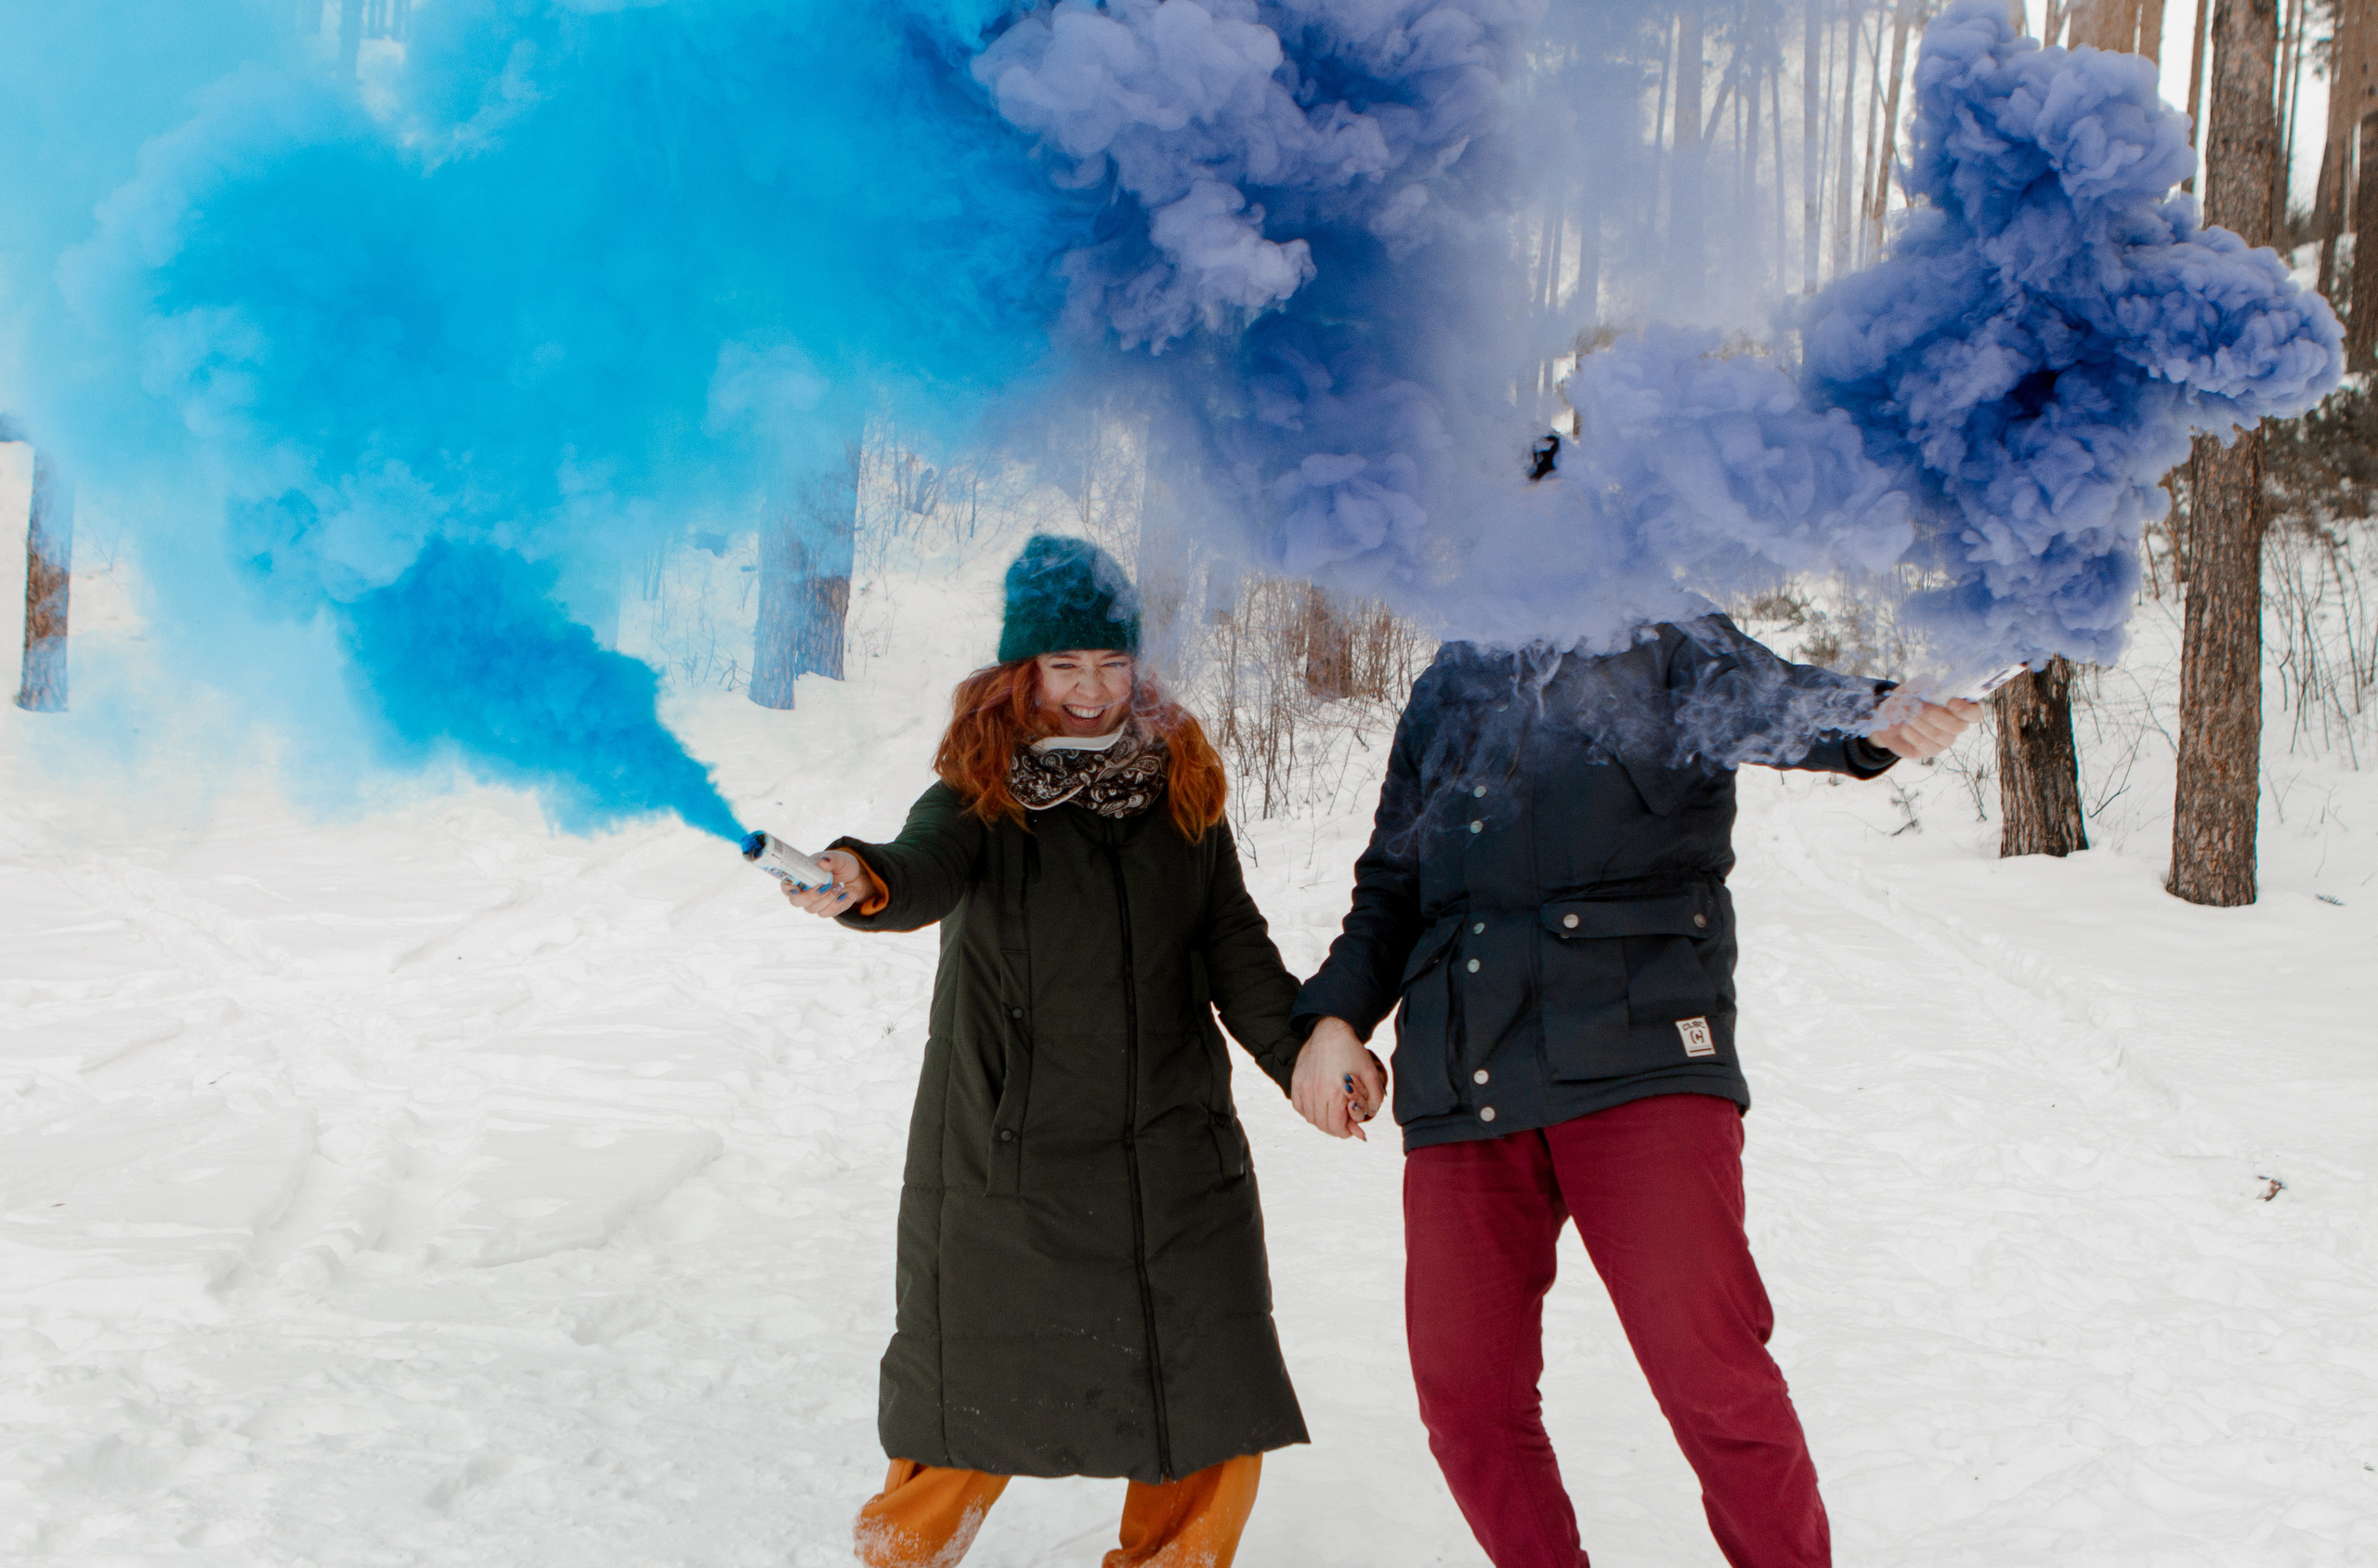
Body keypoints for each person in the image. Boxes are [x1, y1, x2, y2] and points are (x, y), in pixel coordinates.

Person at [1284, 616, 1979, 1568]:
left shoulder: (1667, 637)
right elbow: (1393, 881)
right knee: (1465, 1400)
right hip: (1464, 1075)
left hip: (1639, 1051)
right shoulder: (1451, 678)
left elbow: (1781, 703)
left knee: (1711, 1374)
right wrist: (1335, 1016)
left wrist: (1878, 716)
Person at [785, 534, 1338, 1568]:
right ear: (1021, 672)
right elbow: (920, 867)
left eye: (1111, 662)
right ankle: (899, 1555)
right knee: (971, 1388)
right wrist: (859, 875)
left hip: (1171, 1144)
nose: (1090, 689)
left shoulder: (1182, 782)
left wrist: (1303, 1048)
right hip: (1014, 1150)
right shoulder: (978, 790)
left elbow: (1231, 940)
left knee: (1202, 1384)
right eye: (1064, 665)